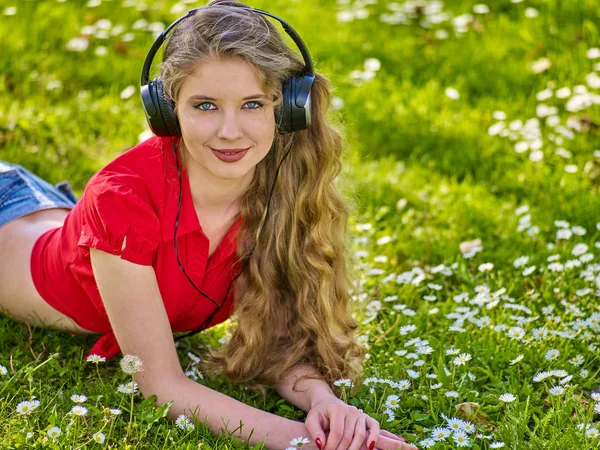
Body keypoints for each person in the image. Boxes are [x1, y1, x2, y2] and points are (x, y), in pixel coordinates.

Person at [0, 1, 417, 449]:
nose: (231, 131)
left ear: (286, 107)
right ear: (166, 110)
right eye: (204, 105)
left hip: (51, 211)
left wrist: (324, 404)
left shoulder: (278, 182)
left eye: (252, 104)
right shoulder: (121, 201)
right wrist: (307, 443)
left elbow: (275, 334)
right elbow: (161, 384)